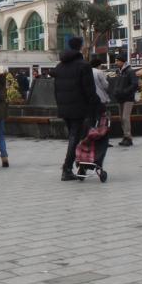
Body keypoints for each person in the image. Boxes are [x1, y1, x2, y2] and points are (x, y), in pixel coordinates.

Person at [54, 37, 101, 181]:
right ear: (80, 47)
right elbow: (89, 90)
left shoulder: (60, 66)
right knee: (76, 137)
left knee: (74, 136)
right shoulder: (83, 66)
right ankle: (67, 168)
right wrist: (96, 104)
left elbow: (56, 89)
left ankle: (79, 165)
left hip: (64, 108)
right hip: (80, 108)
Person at [114, 54, 138, 147]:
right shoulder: (120, 71)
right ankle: (125, 136)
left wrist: (125, 91)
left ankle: (128, 137)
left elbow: (135, 84)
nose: (116, 63)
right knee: (121, 119)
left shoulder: (130, 71)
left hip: (128, 98)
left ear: (122, 61)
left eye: (117, 61)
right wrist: (116, 92)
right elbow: (117, 84)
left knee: (125, 117)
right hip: (120, 98)